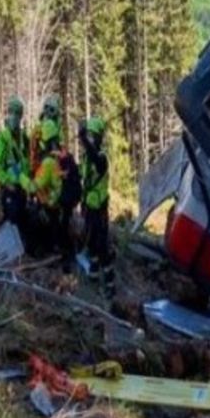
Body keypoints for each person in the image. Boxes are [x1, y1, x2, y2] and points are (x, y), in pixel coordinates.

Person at [31, 119, 78, 273]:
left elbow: (37, 184)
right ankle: (65, 255)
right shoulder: (61, 152)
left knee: (52, 226)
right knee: (61, 228)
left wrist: (21, 177)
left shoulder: (49, 160)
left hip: (55, 201)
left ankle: (57, 256)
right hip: (63, 200)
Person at [80, 117, 113, 294]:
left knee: (102, 246)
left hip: (100, 208)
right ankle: (93, 277)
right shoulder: (87, 158)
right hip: (89, 207)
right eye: (89, 135)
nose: (91, 139)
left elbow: (95, 157)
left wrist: (83, 138)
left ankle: (109, 285)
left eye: (93, 136)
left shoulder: (101, 158)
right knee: (91, 243)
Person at [0, 96, 30, 224]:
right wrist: (7, 183)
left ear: (21, 116)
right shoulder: (3, 138)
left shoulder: (24, 138)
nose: (14, 116)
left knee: (22, 224)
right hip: (10, 189)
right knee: (10, 223)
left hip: (22, 189)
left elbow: (28, 161)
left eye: (17, 113)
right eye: (12, 112)